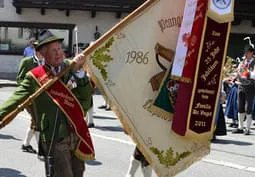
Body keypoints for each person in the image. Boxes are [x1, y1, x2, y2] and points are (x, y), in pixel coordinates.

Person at [0, 30, 94, 177]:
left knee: (78, 173)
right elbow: (15, 100)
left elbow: (86, 98)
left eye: (59, 49)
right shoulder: (35, 77)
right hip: (54, 137)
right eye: (53, 50)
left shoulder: (71, 67)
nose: (58, 53)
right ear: (43, 54)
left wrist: (80, 74)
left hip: (76, 133)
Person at [17, 40, 45, 154]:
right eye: (38, 50)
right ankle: (40, 149)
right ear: (34, 50)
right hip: (30, 97)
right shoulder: (27, 61)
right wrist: (31, 88)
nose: (41, 53)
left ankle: (26, 144)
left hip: (42, 98)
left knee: (36, 122)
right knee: (37, 121)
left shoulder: (46, 63)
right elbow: (19, 79)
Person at [232, 42, 255, 135]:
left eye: (247, 52)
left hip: (250, 86)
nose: (245, 54)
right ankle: (240, 127)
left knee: (248, 107)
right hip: (241, 85)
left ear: (252, 53)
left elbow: (253, 75)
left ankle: (248, 128)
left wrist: (246, 72)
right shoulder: (243, 62)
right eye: (245, 52)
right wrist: (234, 76)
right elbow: (238, 72)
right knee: (240, 106)